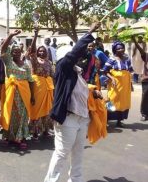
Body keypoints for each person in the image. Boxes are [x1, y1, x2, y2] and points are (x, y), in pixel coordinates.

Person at [44, 22, 102, 182]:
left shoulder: (78, 73)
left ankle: (76, 179)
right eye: (74, 55)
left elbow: (79, 91)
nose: (79, 57)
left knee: (78, 153)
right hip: (68, 119)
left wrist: (93, 92)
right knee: (62, 153)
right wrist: (89, 32)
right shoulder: (63, 69)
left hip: (81, 118)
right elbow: (74, 54)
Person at [0, 30, 35, 149]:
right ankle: (9, 136)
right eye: (13, 51)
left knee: (23, 115)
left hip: (24, 94)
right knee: (10, 113)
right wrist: (11, 35)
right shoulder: (9, 62)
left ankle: (21, 137)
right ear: (11, 53)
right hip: (11, 92)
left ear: (21, 52)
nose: (15, 53)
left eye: (18, 51)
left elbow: (31, 81)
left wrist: (33, 96)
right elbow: (3, 50)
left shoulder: (25, 65)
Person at [28, 27, 54, 139]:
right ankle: (34, 131)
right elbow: (32, 51)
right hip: (37, 87)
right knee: (36, 109)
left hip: (48, 88)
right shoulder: (34, 60)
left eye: (43, 50)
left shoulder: (49, 62)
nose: (41, 52)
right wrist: (35, 34)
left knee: (47, 109)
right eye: (40, 50)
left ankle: (45, 130)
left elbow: (52, 75)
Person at [102, 41, 133, 128]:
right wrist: (112, 78)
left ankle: (119, 121)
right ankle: (106, 119)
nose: (121, 50)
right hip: (115, 85)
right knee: (112, 100)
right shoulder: (112, 59)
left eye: (122, 48)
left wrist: (131, 85)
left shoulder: (127, 59)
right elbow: (105, 71)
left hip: (125, 85)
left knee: (123, 102)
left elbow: (129, 72)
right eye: (118, 48)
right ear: (115, 50)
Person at [131, 35, 148, 121]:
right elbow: (141, 51)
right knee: (145, 96)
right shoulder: (146, 56)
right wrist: (135, 41)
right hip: (146, 79)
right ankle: (144, 114)